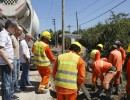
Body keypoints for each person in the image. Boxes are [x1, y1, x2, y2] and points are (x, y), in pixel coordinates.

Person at [0, 19, 18, 100]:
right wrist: (9, 63)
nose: (14, 30)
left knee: (8, 84)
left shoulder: (7, 35)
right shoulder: (3, 35)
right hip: (5, 64)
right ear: (10, 27)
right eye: (14, 28)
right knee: (6, 85)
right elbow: (1, 51)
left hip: (7, 63)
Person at [11, 26, 23, 92]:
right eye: (20, 31)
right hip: (13, 59)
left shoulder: (17, 39)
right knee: (13, 76)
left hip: (17, 59)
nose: (21, 33)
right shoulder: (11, 38)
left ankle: (16, 88)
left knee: (17, 74)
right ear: (16, 30)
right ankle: (11, 91)